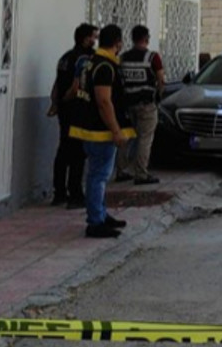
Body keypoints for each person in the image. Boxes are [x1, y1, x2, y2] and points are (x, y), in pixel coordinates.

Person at [69, 24, 137, 238]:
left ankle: (100, 213)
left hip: (91, 128)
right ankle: (95, 221)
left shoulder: (91, 63)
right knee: (98, 175)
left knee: (98, 175)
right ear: (118, 43)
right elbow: (104, 101)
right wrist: (116, 130)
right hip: (100, 131)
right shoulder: (105, 66)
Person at [48, 24, 96, 208]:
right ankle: (75, 195)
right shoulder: (84, 59)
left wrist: (56, 104)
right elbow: (75, 87)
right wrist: (67, 100)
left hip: (65, 111)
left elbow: (56, 84)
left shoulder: (65, 57)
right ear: (85, 38)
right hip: (78, 110)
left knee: (63, 150)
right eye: (93, 37)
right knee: (77, 153)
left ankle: (59, 193)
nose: (95, 41)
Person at [115, 25, 165, 185]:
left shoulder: (123, 58)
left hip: (128, 105)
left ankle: (121, 171)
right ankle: (141, 174)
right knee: (145, 139)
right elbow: (161, 80)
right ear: (146, 38)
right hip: (146, 105)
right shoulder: (152, 57)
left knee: (126, 137)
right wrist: (158, 96)